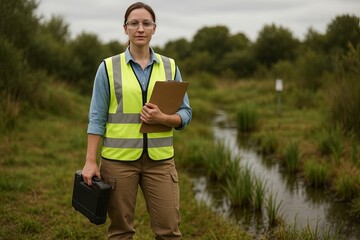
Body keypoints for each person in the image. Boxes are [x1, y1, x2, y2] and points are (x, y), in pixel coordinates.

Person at [81, 2, 192, 239]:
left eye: (146, 23)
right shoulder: (108, 67)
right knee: (120, 231)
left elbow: (185, 114)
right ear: (125, 29)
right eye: (134, 23)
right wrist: (91, 161)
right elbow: (96, 118)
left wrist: (163, 117)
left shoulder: (170, 67)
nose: (140, 28)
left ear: (154, 28)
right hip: (118, 162)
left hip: (160, 163)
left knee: (169, 231)